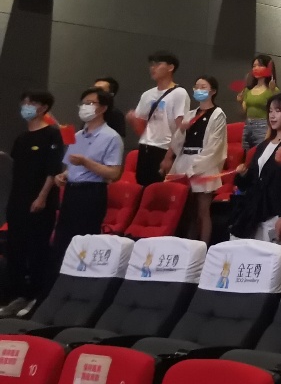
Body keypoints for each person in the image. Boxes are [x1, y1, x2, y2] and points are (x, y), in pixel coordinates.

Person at [2, 91, 65, 318]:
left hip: (40, 201)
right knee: (15, 248)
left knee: (36, 249)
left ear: (44, 107)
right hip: (17, 200)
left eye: (32, 103)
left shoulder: (52, 134)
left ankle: (35, 296)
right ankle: (16, 295)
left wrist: (42, 197)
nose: (26, 106)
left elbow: (52, 170)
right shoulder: (21, 138)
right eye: (25, 102)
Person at [50, 88, 123, 276]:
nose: (85, 107)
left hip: (92, 193)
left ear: (103, 108)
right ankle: (56, 281)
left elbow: (114, 173)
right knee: (62, 239)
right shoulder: (77, 136)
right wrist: (63, 176)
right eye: (83, 103)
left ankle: (80, 279)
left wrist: (86, 162)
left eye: (91, 103)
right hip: (71, 192)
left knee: (84, 241)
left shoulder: (111, 137)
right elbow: (71, 167)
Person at [230, 93, 281, 245]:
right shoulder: (264, 145)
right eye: (270, 111)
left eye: (278, 110)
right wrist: (243, 174)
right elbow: (251, 181)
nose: (272, 115)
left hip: (276, 214)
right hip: (254, 212)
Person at [164, 76, 228, 243]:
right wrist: (181, 130)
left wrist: (195, 168)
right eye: (197, 86)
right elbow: (177, 143)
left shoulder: (218, 114)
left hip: (204, 165)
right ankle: (187, 243)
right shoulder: (190, 114)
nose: (199, 90)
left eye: (203, 87)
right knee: (187, 211)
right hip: (184, 160)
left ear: (213, 91)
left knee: (202, 211)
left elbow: (214, 147)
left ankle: (203, 246)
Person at [127, 51, 190, 186]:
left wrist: (169, 157)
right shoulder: (147, 95)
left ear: (170, 67)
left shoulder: (179, 93)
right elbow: (141, 130)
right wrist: (133, 121)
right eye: (152, 64)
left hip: (164, 148)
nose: (153, 68)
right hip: (145, 147)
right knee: (143, 186)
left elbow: (181, 129)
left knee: (159, 189)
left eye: (158, 64)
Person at [237, 55, 279, 147]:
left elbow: (277, 112)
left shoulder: (272, 90)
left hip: (263, 126)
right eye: (254, 66)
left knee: (259, 152)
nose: (256, 68)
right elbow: (244, 112)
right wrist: (240, 101)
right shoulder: (248, 90)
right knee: (246, 152)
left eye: (260, 65)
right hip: (248, 125)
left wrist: (273, 91)